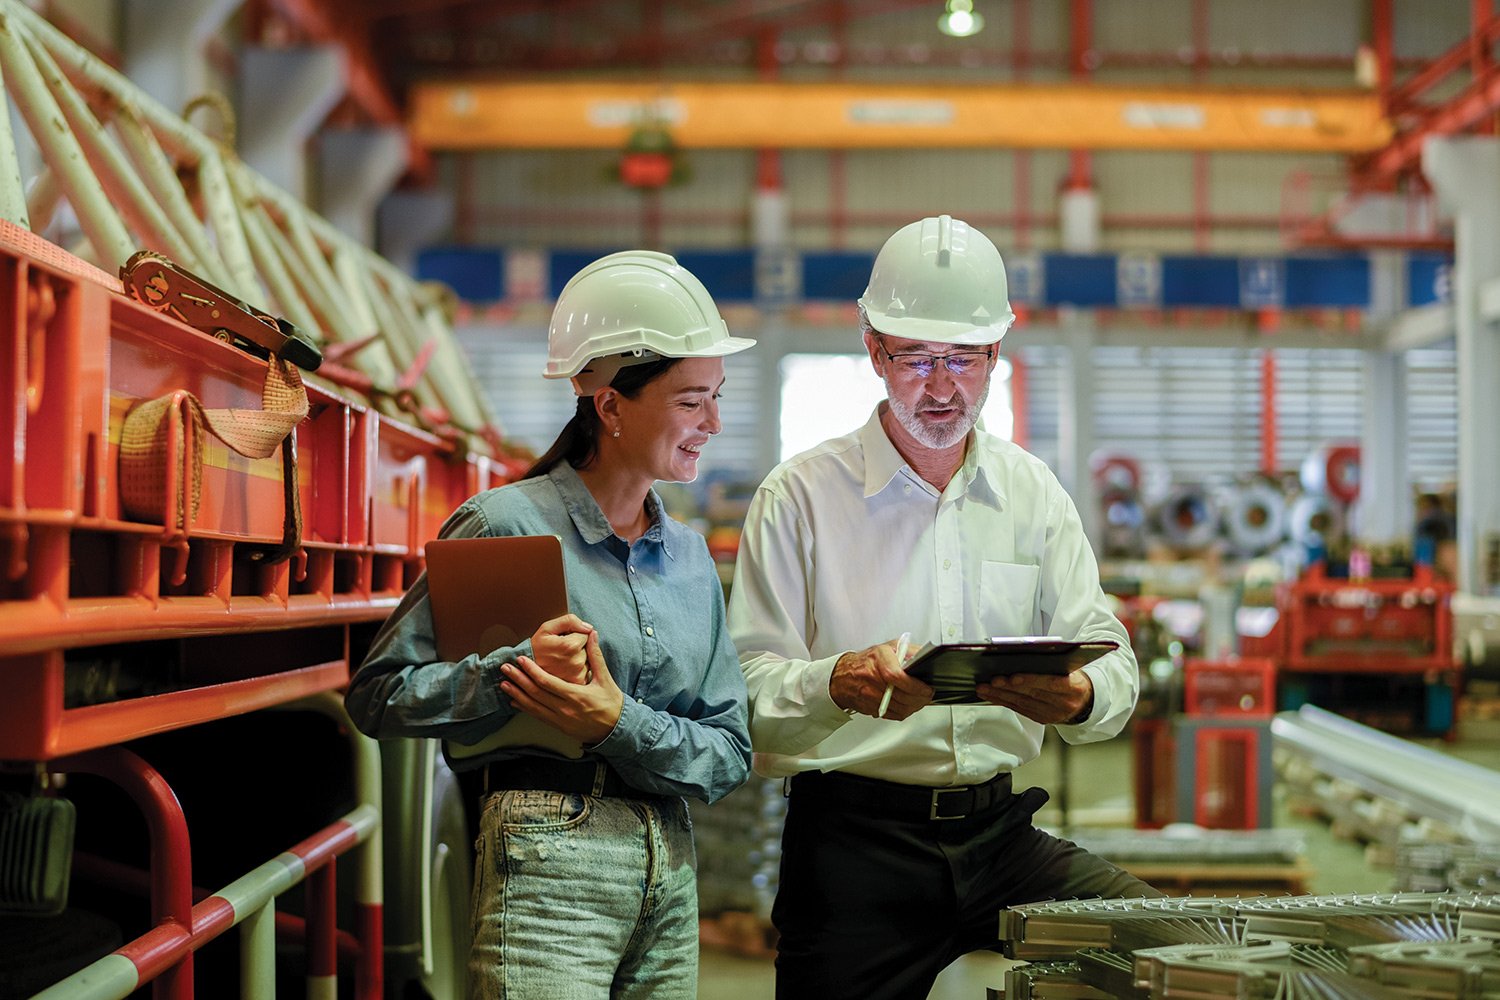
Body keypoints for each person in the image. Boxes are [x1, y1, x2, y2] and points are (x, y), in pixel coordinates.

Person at [728, 215, 1160, 1000]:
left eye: (964, 359)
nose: (941, 385)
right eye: (916, 358)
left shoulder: (1031, 493)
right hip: (853, 844)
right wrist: (834, 683)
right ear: (873, 351)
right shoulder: (798, 498)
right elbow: (746, 689)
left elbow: (1110, 649)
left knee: (1174, 954)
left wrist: (1083, 693)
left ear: (996, 354)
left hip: (999, 837)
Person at [346, 250, 754, 999]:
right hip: (546, 856)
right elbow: (380, 697)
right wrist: (512, 672)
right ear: (611, 405)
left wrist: (615, 722)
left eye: (717, 398)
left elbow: (728, 754)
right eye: (693, 401)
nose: (715, 424)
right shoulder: (505, 525)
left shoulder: (692, 561)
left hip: (672, 864)